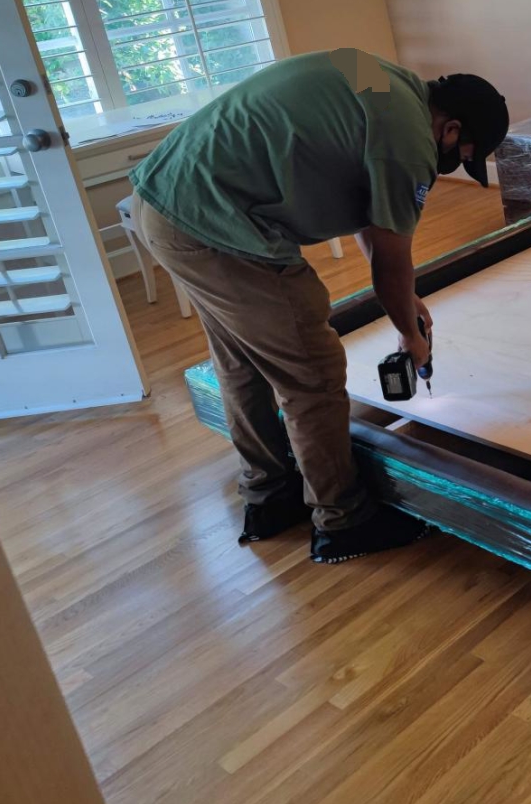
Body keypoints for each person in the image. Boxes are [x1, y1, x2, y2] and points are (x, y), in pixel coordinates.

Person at [129, 48, 508, 563]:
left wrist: (405, 298)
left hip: (165, 204)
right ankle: (343, 521)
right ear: (451, 128)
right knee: (312, 374)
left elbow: (371, 214)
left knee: (243, 363)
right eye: (462, 154)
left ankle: (270, 497)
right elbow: (391, 263)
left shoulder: (374, 73)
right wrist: (410, 334)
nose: (454, 164)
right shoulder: (410, 146)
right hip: (222, 226)